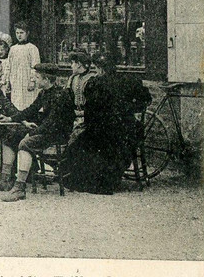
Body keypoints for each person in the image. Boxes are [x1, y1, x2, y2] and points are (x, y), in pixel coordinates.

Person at [59, 53, 152, 194]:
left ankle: (94, 180)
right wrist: (129, 110)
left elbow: (90, 112)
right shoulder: (128, 80)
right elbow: (144, 99)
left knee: (81, 143)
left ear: (99, 69)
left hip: (104, 130)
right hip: (127, 129)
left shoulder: (95, 84)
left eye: (96, 68)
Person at [1, 63, 77, 201]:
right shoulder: (44, 93)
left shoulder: (61, 95)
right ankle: (5, 180)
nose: (34, 80)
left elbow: (52, 123)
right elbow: (31, 110)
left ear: (46, 80)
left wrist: (32, 132)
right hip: (47, 131)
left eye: (36, 77)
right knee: (11, 136)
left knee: (25, 143)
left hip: (58, 135)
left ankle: (19, 188)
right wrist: (11, 118)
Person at [6, 22, 41, 109]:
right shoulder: (13, 49)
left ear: (27, 33)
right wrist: (8, 81)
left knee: (27, 103)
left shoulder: (32, 48)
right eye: (17, 33)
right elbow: (8, 66)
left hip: (27, 81)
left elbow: (35, 67)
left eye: (22, 33)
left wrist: (32, 81)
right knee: (16, 103)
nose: (19, 35)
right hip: (15, 81)